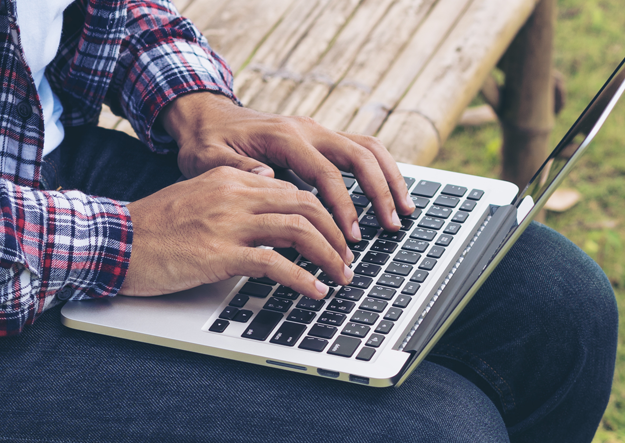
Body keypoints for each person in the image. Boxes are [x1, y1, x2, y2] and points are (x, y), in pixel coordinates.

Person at [0, 0, 617, 442]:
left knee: (555, 301)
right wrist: (127, 242)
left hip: (45, 163)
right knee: (439, 430)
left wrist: (195, 104)